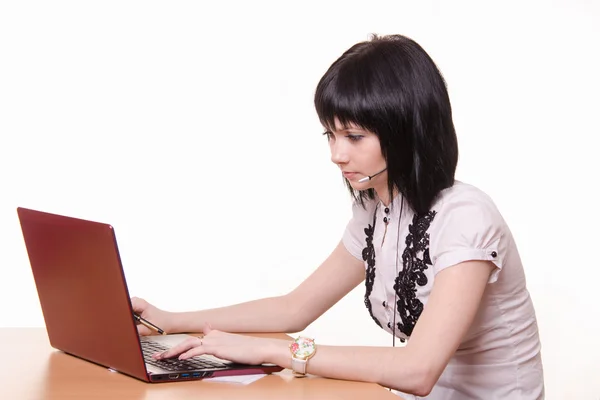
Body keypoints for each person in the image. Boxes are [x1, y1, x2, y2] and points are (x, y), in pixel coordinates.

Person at [132, 34, 545, 399]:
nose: (336, 154)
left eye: (354, 136)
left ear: (406, 130)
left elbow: (418, 370)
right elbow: (294, 308)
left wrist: (274, 351)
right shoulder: (377, 208)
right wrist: (171, 321)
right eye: (330, 134)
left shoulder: (466, 218)